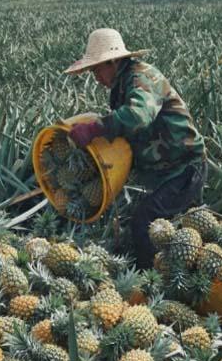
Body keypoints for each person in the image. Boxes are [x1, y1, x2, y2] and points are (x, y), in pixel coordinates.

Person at [64, 28, 206, 269]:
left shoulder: (142, 77)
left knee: (145, 222)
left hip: (184, 169)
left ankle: (151, 285)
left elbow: (138, 116)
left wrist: (96, 127)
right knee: (168, 231)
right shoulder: (121, 87)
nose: (96, 77)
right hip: (163, 172)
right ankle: (166, 274)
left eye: (97, 69)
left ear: (113, 61)